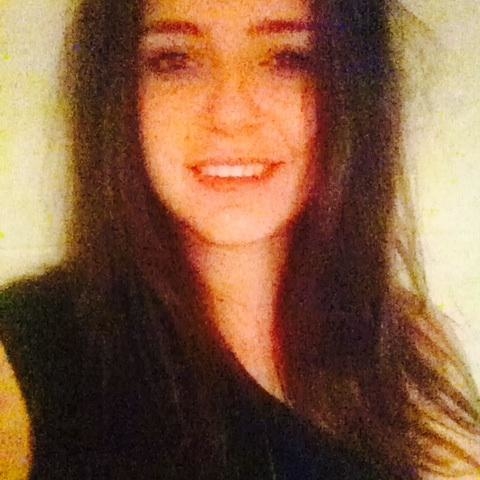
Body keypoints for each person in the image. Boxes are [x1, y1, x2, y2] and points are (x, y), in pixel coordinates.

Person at [0, 0, 479, 478]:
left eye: (288, 58)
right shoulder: (23, 361)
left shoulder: (407, 345)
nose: (230, 112)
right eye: (175, 60)